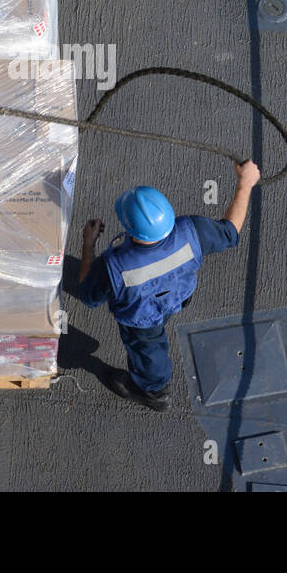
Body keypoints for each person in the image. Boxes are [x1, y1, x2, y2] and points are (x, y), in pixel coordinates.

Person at [76, 161, 261, 411]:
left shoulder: (113, 266)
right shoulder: (191, 231)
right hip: (177, 297)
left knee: (148, 352)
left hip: (142, 320)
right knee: (164, 318)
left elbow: (88, 295)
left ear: (129, 227)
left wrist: (88, 245)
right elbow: (230, 232)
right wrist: (245, 183)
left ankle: (152, 391)